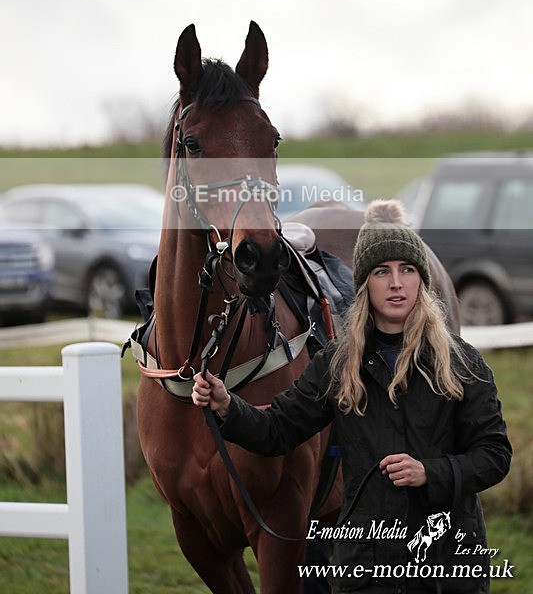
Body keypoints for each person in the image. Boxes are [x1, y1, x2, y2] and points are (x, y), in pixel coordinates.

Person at [192, 200, 512, 593]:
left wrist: (429, 472)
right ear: (364, 285)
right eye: (382, 272)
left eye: (407, 270)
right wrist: (227, 405)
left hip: (447, 566)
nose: (396, 283)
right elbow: (278, 429)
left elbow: (495, 456)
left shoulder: (461, 362)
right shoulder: (338, 363)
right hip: (366, 568)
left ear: (421, 283)